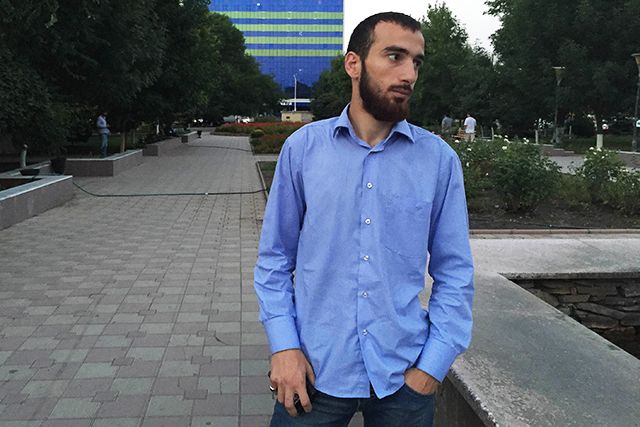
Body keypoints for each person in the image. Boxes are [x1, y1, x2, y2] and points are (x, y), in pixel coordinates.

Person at [255, 12, 474, 427]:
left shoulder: (438, 161)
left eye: (416, 62)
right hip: (312, 372)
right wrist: (283, 347)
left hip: (403, 378)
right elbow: (274, 260)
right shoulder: (303, 150)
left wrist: (431, 368)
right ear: (353, 64)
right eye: (394, 56)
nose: (409, 74)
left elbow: (455, 272)